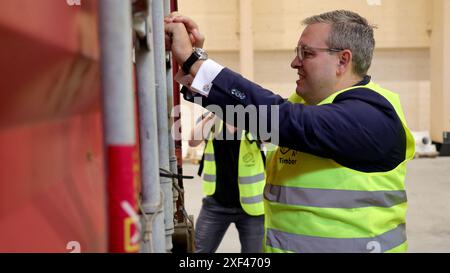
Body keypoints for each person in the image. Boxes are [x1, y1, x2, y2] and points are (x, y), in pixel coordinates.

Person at [165, 10, 415, 253]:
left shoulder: (372, 115)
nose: (295, 62)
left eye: (306, 53)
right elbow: (255, 112)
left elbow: (279, 116)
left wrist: (195, 62)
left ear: (343, 60)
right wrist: (194, 60)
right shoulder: (307, 104)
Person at [188, 111, 266, 253]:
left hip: (252, 207)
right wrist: (213, 113)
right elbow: (193, 141)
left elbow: (270, 138)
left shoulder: (253, 117)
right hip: (216, 204)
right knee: (198, 250)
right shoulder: (211, 118)